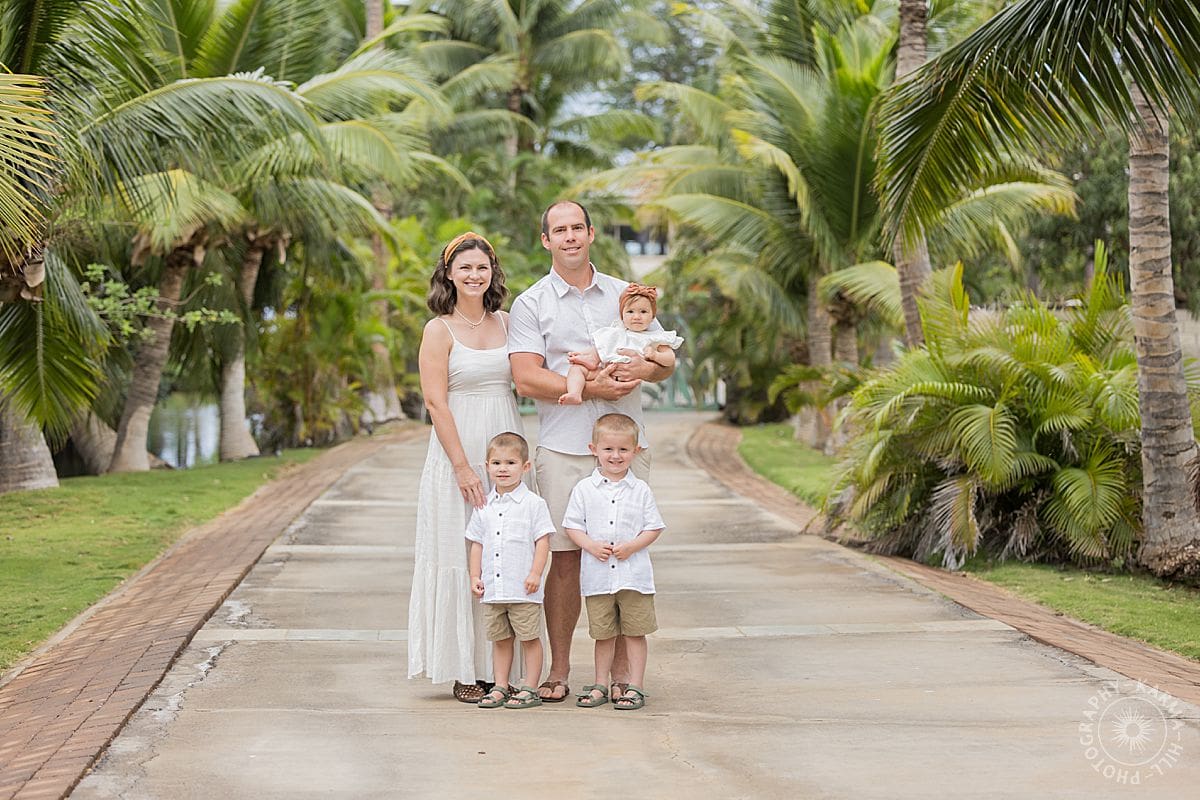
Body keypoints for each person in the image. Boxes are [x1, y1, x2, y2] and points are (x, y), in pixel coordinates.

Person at [508, 200, 675, 703]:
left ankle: (621, 675)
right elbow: (525, 375)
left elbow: (662, 358)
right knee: (563, 558)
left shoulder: (627, 294)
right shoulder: (531, 303)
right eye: (559, 230)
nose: (569, 237)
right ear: (546, 241)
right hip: (562, 447)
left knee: (623, 556)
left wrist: (645, 372)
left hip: (625, 444)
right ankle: (560, 670)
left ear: (591, 232)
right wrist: (591, 388)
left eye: (577, 227)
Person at [408, 231, 528, 703]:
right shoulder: (439, 329)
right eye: (465, 268)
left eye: (482, 267)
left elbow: (528, 375)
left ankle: (504, 668)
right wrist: (462, 466)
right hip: (456, 448)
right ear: (449, 275)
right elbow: (436, 402)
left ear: (492, 272)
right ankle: (464, 667)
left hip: (505, 443)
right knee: (462, 553)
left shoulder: (509, 321)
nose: (474, 275)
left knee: (508, 551)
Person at [563, 414, 664, 710]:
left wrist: (633, 546)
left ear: (635, 451)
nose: (615, 456)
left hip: (634, 577)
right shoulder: (584, 489)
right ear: (593, 449)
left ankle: (636, 686)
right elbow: (572, 526)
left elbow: (654, 526)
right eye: (608, 449)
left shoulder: (641, 490)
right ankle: (600, 685)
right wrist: (590, 545)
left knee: (635, 631)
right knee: (603, 634)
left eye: (623, 450)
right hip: (598, 577)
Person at [467, 432, 554, 709]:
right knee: (501, 639)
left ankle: (530, 687)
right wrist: (475, 576)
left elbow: (543, 542)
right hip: (494, 588)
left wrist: (535, 574)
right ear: (487, 466)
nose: (503, 469)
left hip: (523, 587)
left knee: (529, 637)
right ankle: (500, 685)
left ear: (525, 467)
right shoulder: (483, 507)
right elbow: (477, 544)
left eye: (511, 463)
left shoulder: (533, 504)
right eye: (496, 463)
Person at [558, 283, 683, 406]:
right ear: (622, 315)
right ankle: (575, 393)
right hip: (605, 373)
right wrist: (586, 355)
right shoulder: (617, 332)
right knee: (577, 369)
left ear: (652, 317)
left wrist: (655, 355)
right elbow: (600, 347)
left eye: (643, 312)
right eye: (630, 312)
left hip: (628, 379)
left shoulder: (654, 337)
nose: (637, 317)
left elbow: (670, 359)